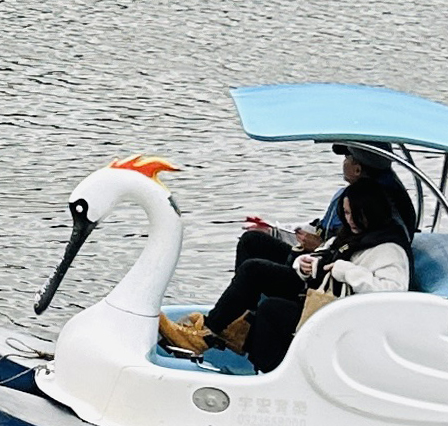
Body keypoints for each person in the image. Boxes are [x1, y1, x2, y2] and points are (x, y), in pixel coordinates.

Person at [161, 145, 417, 368]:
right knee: (254, 258)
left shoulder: (387, 247)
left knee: (266, 294)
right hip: (320, 290)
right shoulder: (353, 228)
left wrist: (343, 270)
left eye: (352, 216)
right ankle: (220, 329)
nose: (348, 221)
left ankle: (215, 334)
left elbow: (390, 295)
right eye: (346, 216)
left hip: (336, 307)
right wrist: (305, 263)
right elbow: (325, 249)